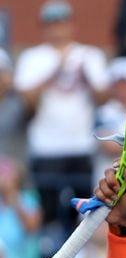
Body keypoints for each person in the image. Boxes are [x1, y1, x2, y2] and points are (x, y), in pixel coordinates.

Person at [13, 0, 109, 233]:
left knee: (84, 215)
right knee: (47, 216)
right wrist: (55, 71)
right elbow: (27, 101)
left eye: (61, 23)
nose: (57, 29)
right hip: (45, 147)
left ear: (71, 25)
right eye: (51, 24)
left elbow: (104, 98)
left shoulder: (89, 55)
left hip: (81, 146)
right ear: (44, 27)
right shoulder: (32, 58)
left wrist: (84, 76)